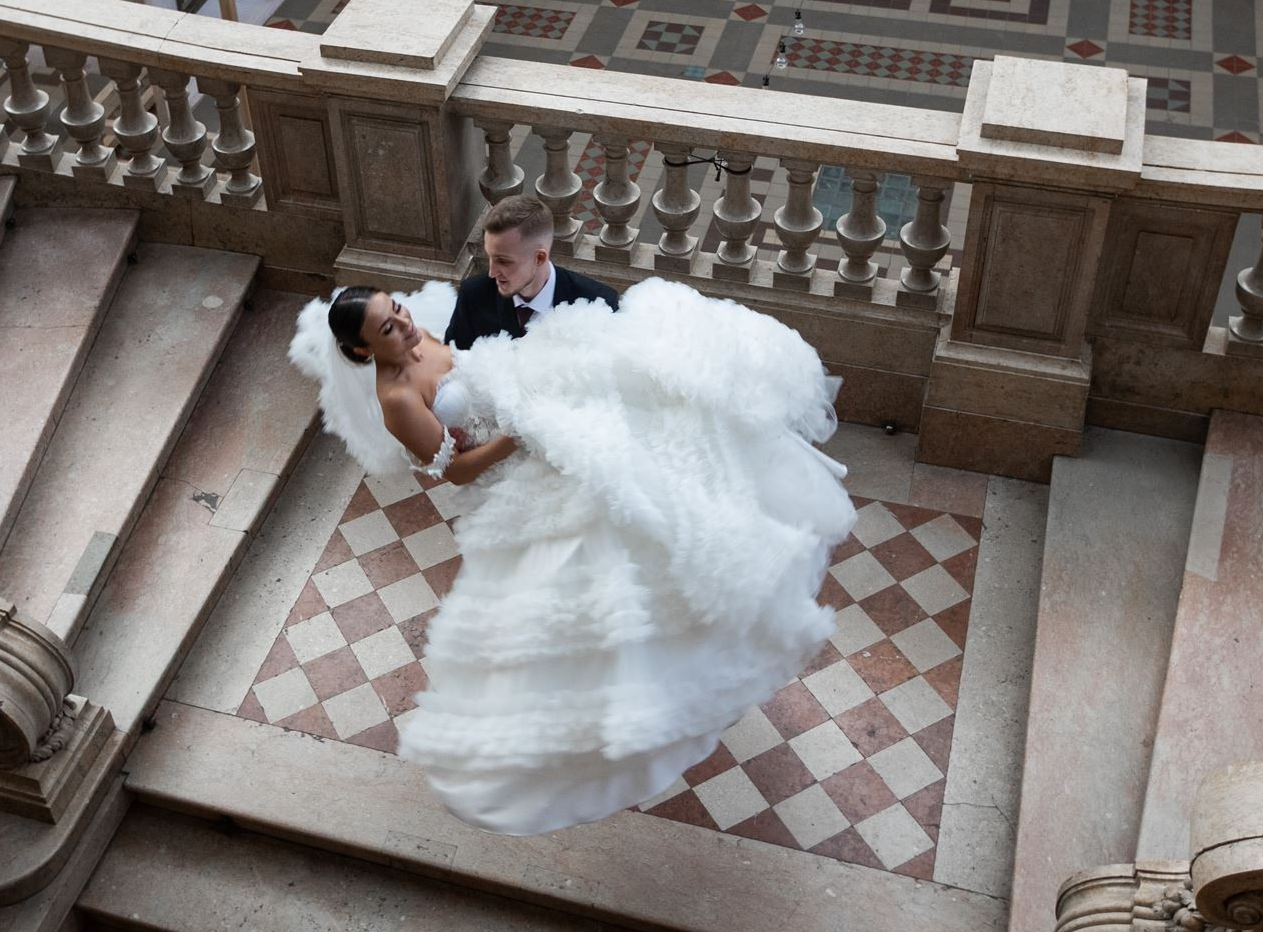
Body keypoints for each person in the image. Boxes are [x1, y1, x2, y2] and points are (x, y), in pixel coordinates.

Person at [287, 225, 855, 837]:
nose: (402, 325)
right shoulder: (398, 398)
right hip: (508, 465)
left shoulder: (421, 330)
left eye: (396, 310)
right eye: (386, 329)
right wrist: (516, 435)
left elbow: (475, 357)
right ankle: (584, 714)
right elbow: (453, 473)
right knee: (576, 563)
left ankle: (679, 650)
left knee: (650, 490)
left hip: (533, 424)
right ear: (364, 352)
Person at [445, 195, 618, 350]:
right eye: (489, 256)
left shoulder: (598, 305)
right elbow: (449, 365)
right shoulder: (474, 294)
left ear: (540, 258)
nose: (492, 272)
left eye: (503, 261)